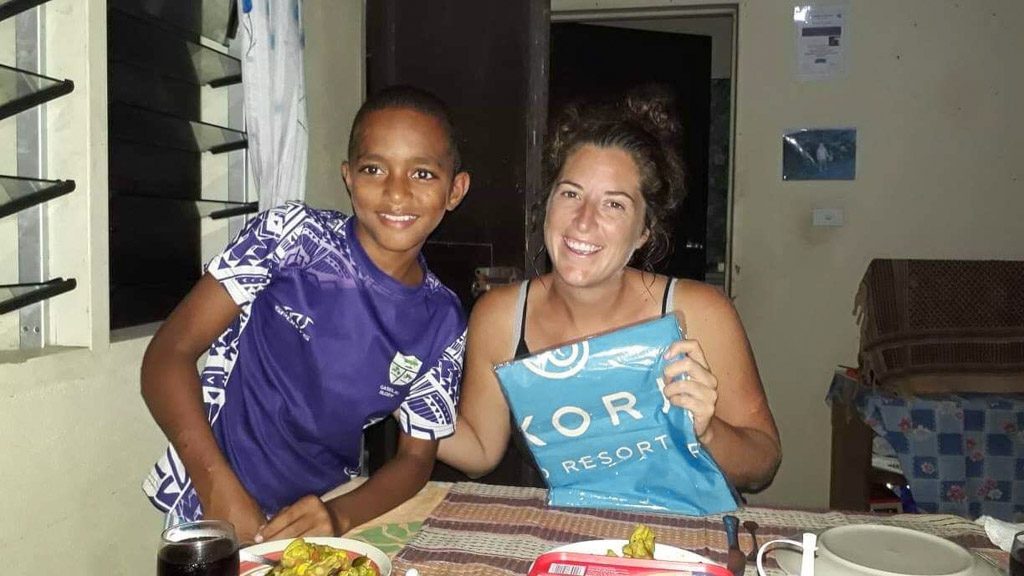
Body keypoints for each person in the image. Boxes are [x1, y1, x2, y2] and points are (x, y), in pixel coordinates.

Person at [141, 86, 470, 543]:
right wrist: (218, 490)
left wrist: (338, 517)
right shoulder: (294, 238)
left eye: (422, 173)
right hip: (214, 502)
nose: (397, 192)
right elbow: (168, 355)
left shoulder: (442, 321)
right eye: (374, 169)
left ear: (456, 190)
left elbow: (416, 458)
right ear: (348, 176)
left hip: (321, 518)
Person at [438, 88, 781, 493]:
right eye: (570, 194)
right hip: (568, 539)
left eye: (614, 204)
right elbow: (479, 452)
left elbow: (762, 467)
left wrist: (707, 431)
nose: (583, 222)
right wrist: (396, 390)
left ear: (644, 231)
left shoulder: (699, 312)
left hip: (680, 538)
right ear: (546, 205)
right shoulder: (500, 315)